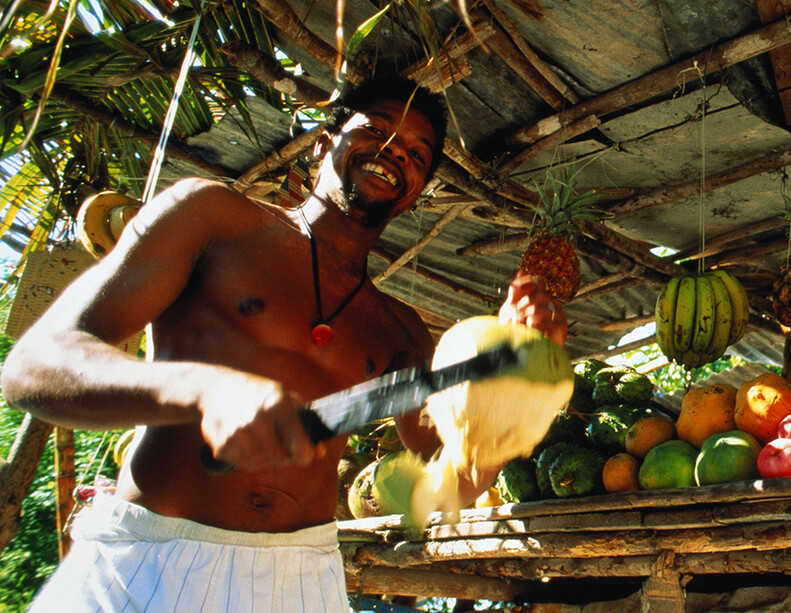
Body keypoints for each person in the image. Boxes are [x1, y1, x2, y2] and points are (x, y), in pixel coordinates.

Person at [0, 74, 568, 612]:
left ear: (416, 192)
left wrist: (509, 381)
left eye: (418, 154)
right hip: (144, 559)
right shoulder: (213, 218)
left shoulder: (399, 330)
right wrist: (203, 389)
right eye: (377, 129)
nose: (397, 150)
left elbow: (457, 481)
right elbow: (31, 367)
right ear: (323, 145)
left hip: (299, 578)